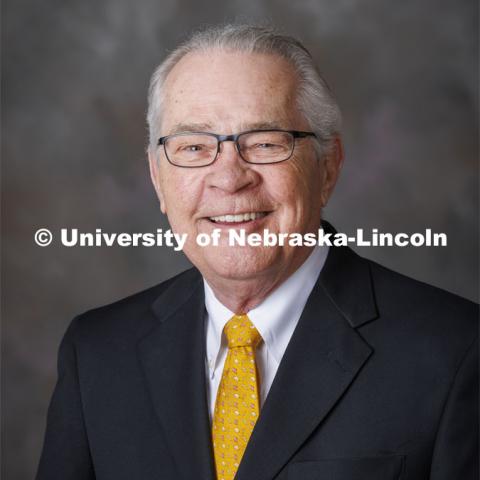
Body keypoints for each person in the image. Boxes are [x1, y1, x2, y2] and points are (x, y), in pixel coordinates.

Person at [36, 24, 478, 480]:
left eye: (265, 143)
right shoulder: (97, 353)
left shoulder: (457, 350)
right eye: (193, 147)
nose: (229, 178)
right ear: (157, 179)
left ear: (327, 168)